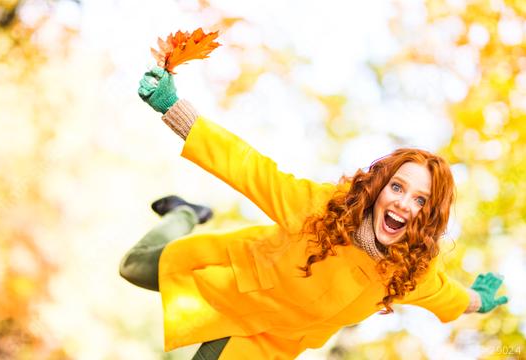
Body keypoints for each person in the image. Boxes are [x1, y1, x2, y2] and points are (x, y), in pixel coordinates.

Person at [119, 66, 509, 359]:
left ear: (428, 215)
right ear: (378, 190)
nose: (405, 204)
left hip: (262, 342)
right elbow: (249, 168)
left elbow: (448, 296)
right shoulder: (324, 210)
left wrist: (478, 300)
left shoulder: (409, 273)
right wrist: (175, 109)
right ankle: (185, 214)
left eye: (421, 200)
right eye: (397, 187)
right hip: (232, 282)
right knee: (133, 267)